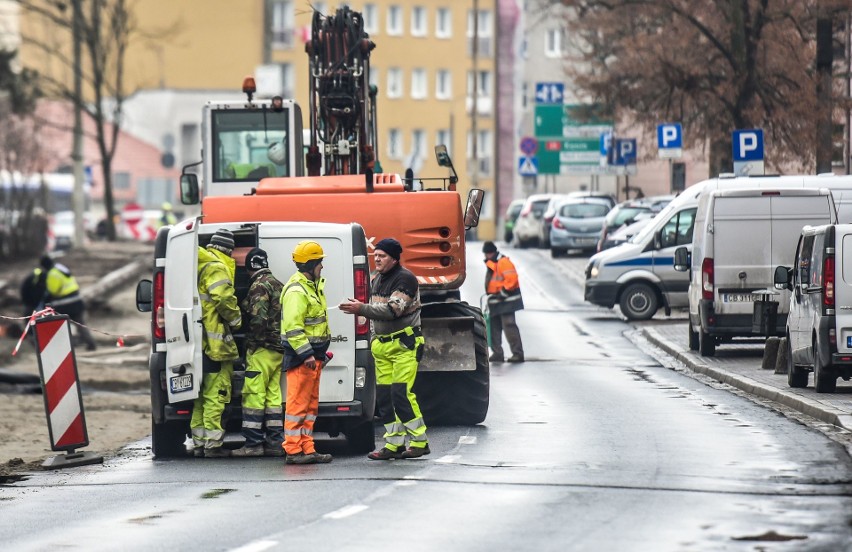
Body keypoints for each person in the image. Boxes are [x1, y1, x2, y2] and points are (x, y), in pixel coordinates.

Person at [340, 238, 430, 460]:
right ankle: (394, 445)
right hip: (383, 347)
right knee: (384, 398)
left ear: (394, 258)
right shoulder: (376, 278)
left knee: (401, 394)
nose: (377, 259)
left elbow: (392, 310)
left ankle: (420, 442)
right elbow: (375, 312)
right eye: (376, 255)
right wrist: (373, 337)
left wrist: (361, 308)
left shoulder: (406, 279)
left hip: (404, 345)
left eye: (382, 256)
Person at [280, 241, 333, 465]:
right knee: (297, 405)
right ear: (310, 264)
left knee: (310, 406)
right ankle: (293, 450)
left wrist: (319, 354)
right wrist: (308, 355)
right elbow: (293, 328)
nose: (322, 266)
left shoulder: (311, 286)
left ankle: (307, 448)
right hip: (303, 359)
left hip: (313, 358)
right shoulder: (297, 290)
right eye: (319, 262)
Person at [191, 228, 242, 458]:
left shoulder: (198, 263)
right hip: (215, 343)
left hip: (197, 342)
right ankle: (213, 445)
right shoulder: (216, 267)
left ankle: (200, 442)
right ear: (228, 250)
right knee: (217, 393)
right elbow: (223, 298)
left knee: (200, 396)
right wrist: (237, 319)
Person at [232, 248, 286, 458]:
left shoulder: (258, 286)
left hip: (262, 349)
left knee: (254, 396)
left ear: (249, 268)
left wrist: (252, 343)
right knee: (273, 396)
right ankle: (275, 442)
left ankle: (253, 444)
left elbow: (257, 319)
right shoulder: (279, 284)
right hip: (278, 349)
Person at [39, 255, 98, 351]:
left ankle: (66, 347)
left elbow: (53, 291)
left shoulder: (52, 274)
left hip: (64, 304)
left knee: (61, 327)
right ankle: (91, 344)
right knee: (80, 324)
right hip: (77, 300)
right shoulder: (61, 269)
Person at [482, 241, 524, 363]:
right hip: (496, 300)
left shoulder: (503, 262)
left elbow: (512, 280)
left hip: (506, 301)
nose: (486, 256)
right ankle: (497, 353)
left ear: (491, 253)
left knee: (509, 325)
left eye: (487, 254)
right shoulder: (495, 262)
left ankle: (518, 354)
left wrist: (503, 293)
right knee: (494, 327)